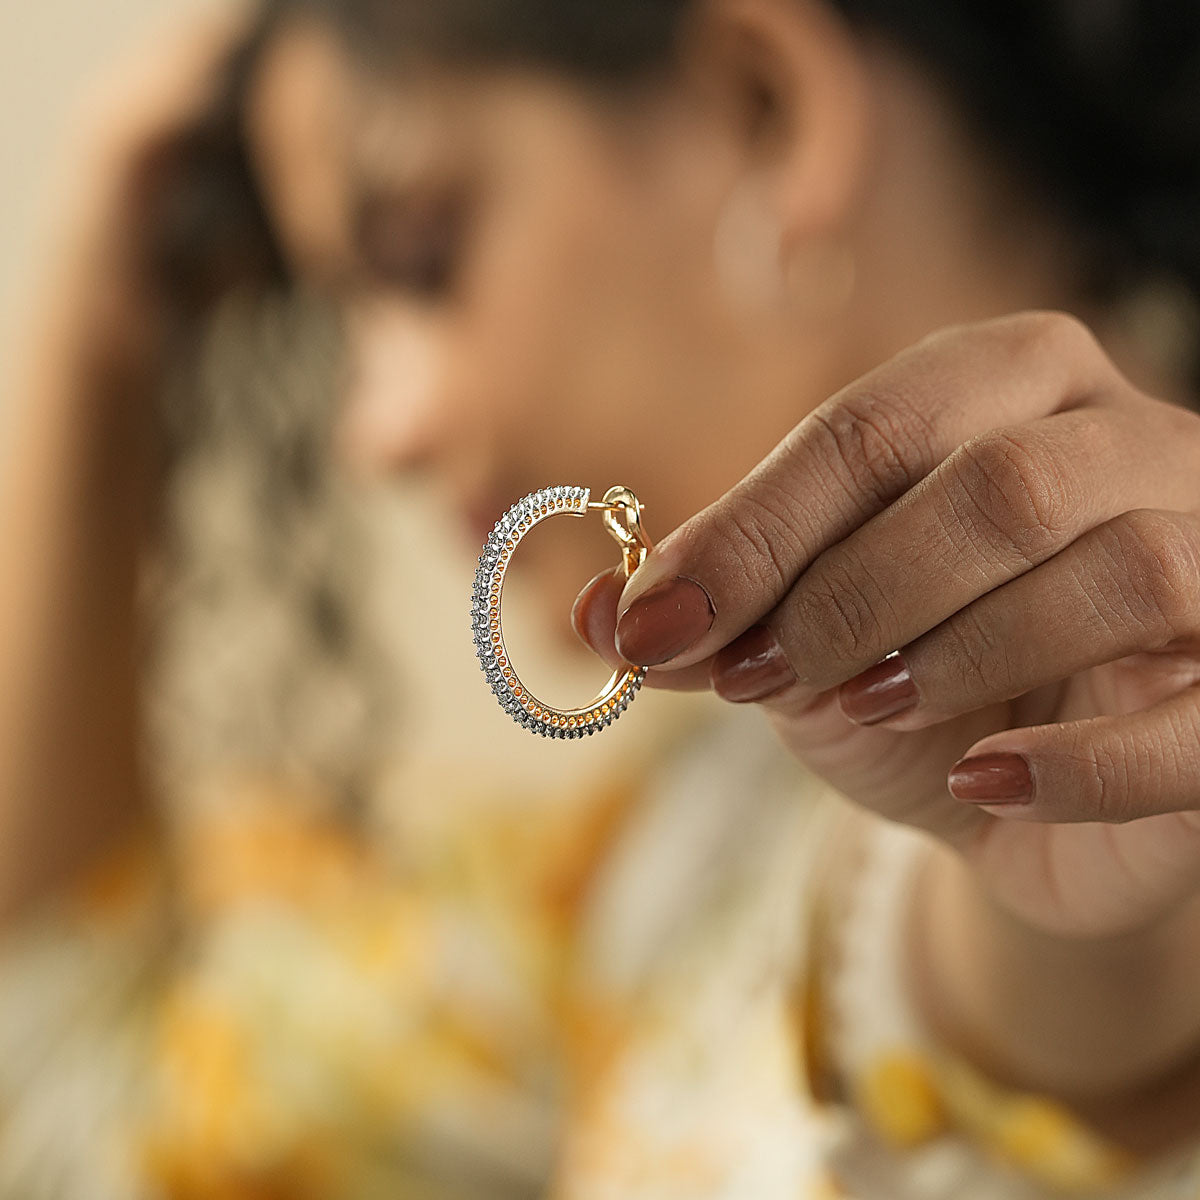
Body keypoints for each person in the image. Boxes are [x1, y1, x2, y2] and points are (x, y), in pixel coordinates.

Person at [2, 0, 1200, 1196]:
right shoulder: (652, 878)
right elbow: (86, 1090)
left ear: (764, 109)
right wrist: (98, 340)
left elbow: (1071, 975)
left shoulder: (1124, 757)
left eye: (424, 257)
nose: (379, 429)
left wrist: (1080, 893)